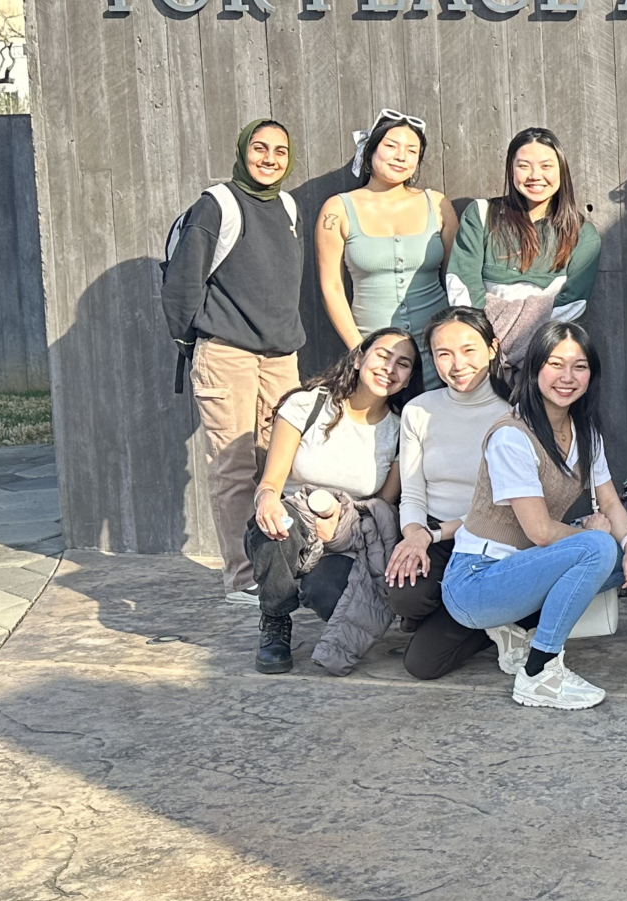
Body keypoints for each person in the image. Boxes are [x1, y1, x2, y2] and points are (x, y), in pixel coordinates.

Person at [440, 321, 627, 710]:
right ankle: (540, 672)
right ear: (534, 370)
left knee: (626, 554)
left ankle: (517, 632)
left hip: (520, 570)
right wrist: (593, 534)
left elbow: (612, 503)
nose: (568, 377)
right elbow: (539, 532)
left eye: (580, 366)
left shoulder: (585, 432)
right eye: (556, 364)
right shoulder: (512, 436)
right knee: (599, 548)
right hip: (476, 581)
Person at [162, 118, 305, 603]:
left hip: (280, 356)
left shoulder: (287, 207)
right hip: (227, 354)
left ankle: (276, 569)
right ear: (243, 151)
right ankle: (243, 580)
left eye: (280, 151)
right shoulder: (216, 206)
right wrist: (195, 341)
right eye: (260, 148)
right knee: (232, 467)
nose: (270, 159)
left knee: (277, 465)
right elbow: (181, 286)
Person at [244, 327, 417, 674]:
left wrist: (342, 522)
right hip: (295, 520)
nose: (390, 368)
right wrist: (266, 502)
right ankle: (275, 618)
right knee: (275, 527)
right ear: (358, 359)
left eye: (403, 364)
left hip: (348, 536)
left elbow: (383, 504)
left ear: (409, 378)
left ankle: (301, 585)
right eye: (382, 356)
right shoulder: (307, 405)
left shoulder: (402, 428)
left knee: (334, 599)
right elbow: (271, 483)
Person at [378, 308, 506, 680]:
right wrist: (414, 534)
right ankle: (469, 612)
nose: (457, 364)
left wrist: (433, 534)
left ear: (492, 349)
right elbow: (413, 491)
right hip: (435, 536)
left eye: (469, 350)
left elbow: (504, 509)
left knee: (421, 664)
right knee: (404, 595)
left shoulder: (515, 413)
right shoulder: (419, 410)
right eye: (443, 354)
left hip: (492, 542)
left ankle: (491, 623)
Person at [315, 109, 458, 389]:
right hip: (375, 354)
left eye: (411, 150)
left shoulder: (438, 205)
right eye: (391, 146)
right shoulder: (338, 209)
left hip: (436, 350)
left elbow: (455, 279)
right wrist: (359, 349)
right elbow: (331, 286)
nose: (401, 156)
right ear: (370, 151)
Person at [448, 127, 602, 354]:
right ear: (511, 169)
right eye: (523, 166)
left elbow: (572, 303)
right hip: (483, 351)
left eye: (546, 166)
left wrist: (529, 354)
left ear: (562, 170)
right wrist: (488, 345)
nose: (534, 175)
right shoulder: (481, 215)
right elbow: (462, 284)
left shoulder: (582, 233)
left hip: (546, 356)